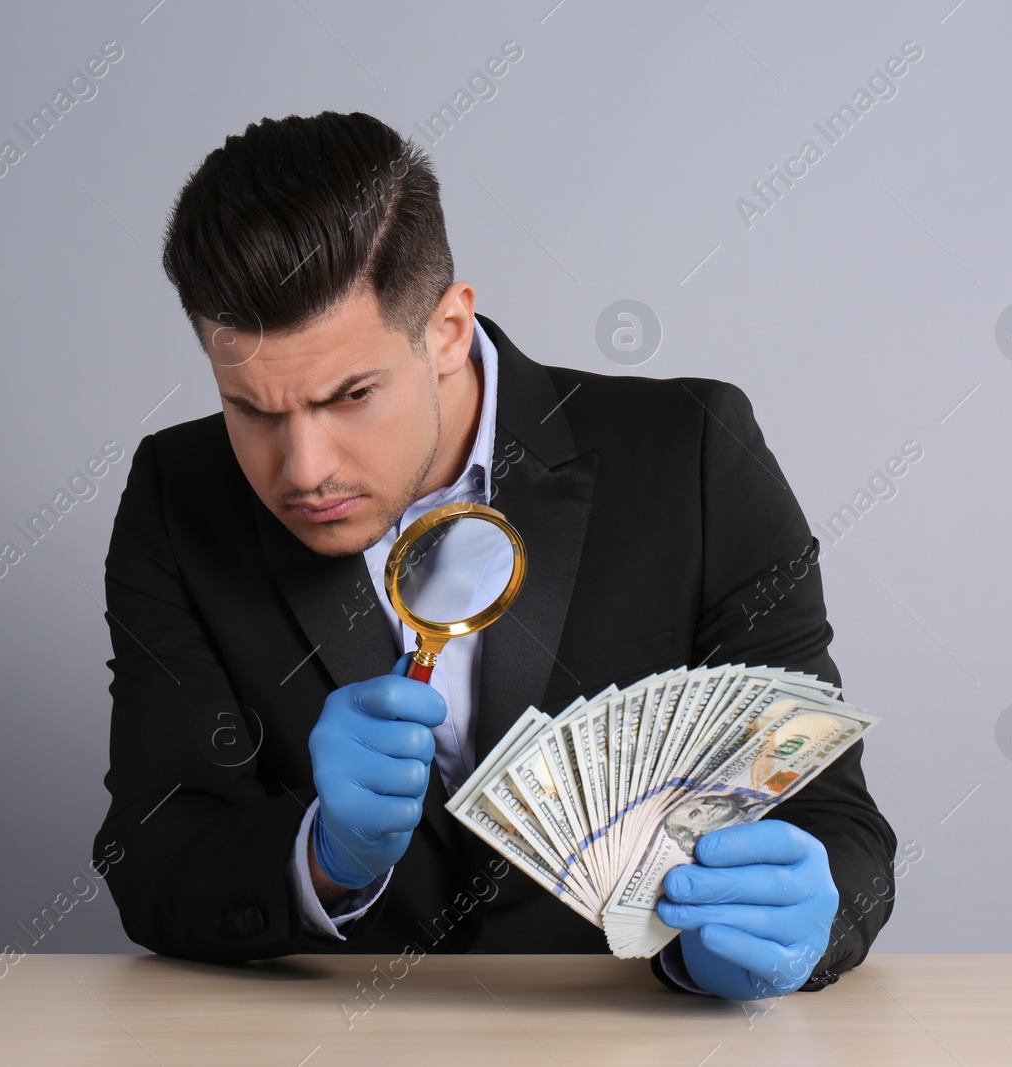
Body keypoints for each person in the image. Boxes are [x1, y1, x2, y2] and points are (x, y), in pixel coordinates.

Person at [92, 110, 896, 1000]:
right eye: (253, 408)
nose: (304, 469)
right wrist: (320, 858)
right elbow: (152, 855)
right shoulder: (181, 495)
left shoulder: (693, 455)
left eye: (350, 394)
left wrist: (783, 934)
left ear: (446, 326)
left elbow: (835, 816)